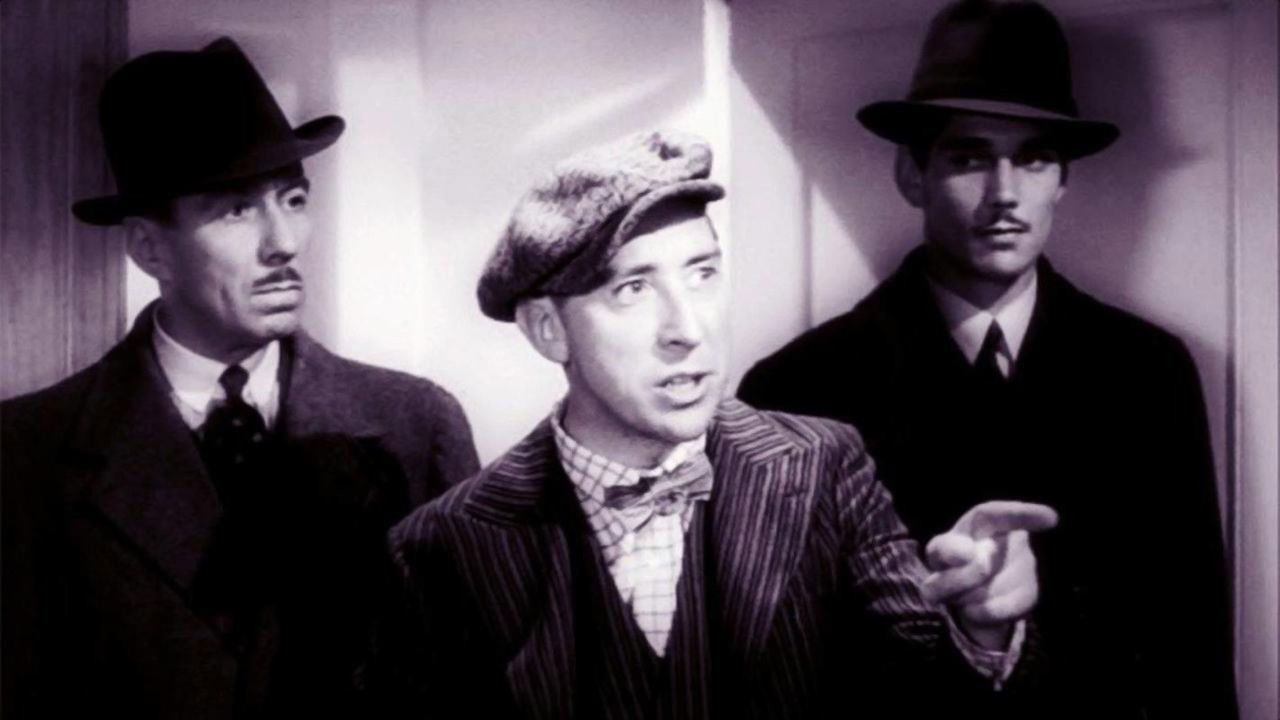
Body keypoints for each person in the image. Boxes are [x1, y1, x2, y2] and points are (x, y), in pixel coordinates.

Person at [382, 130, 1056, 718]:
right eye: (633, 289)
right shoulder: (443, 546)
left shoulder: (824, 465)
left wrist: (982, 630)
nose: (688, 328)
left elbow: (924, 696)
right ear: (547, 329)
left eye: (702, 274)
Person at [738, 2, 1237, 718]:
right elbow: (779, 668)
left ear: (1062, 179)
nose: (1005, 195)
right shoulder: (797, 387)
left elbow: (1193, 645)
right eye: (969, 158)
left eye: (1033, 158)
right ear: (913, 174)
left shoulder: (1149, 372)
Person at [1, 38, 479, 718]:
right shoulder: (25, 454)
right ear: (149, 248)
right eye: (236, 209)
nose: (284, 242)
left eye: (293, 199)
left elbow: (467, 685)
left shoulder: (415, 424)